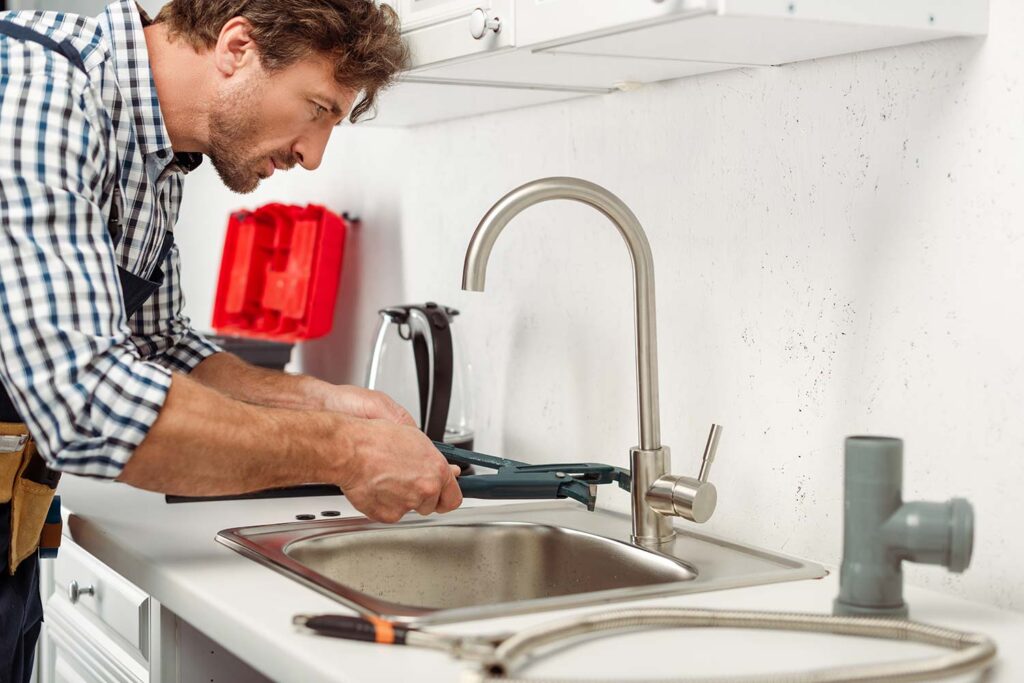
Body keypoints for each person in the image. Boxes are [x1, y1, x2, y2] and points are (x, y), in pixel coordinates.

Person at [0, 1, 463, 680]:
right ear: (238, 46)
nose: (313, 154)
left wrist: (327, 404)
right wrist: (347, 451)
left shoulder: (154, 150)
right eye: (318, 108)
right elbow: (88, 402)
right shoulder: (37, 91)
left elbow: (159, 347)